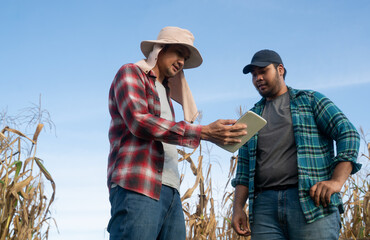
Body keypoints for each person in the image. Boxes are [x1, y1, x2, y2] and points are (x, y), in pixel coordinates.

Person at [107, 26, 247, 240]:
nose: (182, 62)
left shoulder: (165, 92)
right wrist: (204, 132)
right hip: (138, 186)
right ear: (160, 49)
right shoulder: (131, 73)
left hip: (171, 191)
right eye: (179, 53)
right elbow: (139, 121)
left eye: (186, 57)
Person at [231, 49, 361, 240]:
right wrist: (238, 209)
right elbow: (242, 170)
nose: (258, 78)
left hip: (310, 201)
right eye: (254, 75)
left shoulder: (310, 101)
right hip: (264, 208)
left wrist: (336, 181)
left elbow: (348, 133)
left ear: (280, 70)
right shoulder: (251, 117)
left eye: (263, 71)